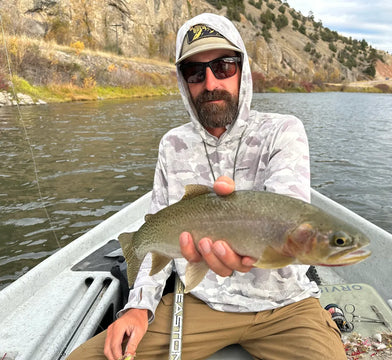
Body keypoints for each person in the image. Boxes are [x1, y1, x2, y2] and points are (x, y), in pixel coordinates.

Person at [67, 13, 346, 360]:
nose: (211, 82)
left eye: (224, 66)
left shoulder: (284, 131)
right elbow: (157, 232)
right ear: (184, 82)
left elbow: (288, 210)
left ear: (242, 70)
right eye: (195, 73)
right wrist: (138, 306)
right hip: (201, 300)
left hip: (285, 306)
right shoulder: (172, 145)